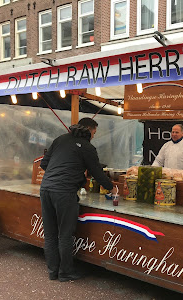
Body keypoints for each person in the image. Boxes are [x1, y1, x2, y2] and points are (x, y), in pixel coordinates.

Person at [40, 117, 116, 282]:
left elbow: (44, 164)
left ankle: (53, 272)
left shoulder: (60, 139)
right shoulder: (87, 147)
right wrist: (112, 187)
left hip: (45, 189)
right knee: (65, 235)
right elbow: (97, 172)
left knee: (51, 234)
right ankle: (65, 272)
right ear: (88, 129)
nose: (94, 136)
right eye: (94, 132)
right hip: (64, 192)